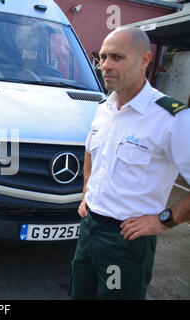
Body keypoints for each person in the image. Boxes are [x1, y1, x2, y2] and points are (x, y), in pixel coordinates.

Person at [69, 27, 190, 300]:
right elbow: (91, 151)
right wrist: (87, 192)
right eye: (102, 57)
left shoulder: (172, 119)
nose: (106, 66)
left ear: (145, 60)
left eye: (117, 57)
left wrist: (164, 221)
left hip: (125, 241)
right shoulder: (104, 108)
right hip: (89, 229)